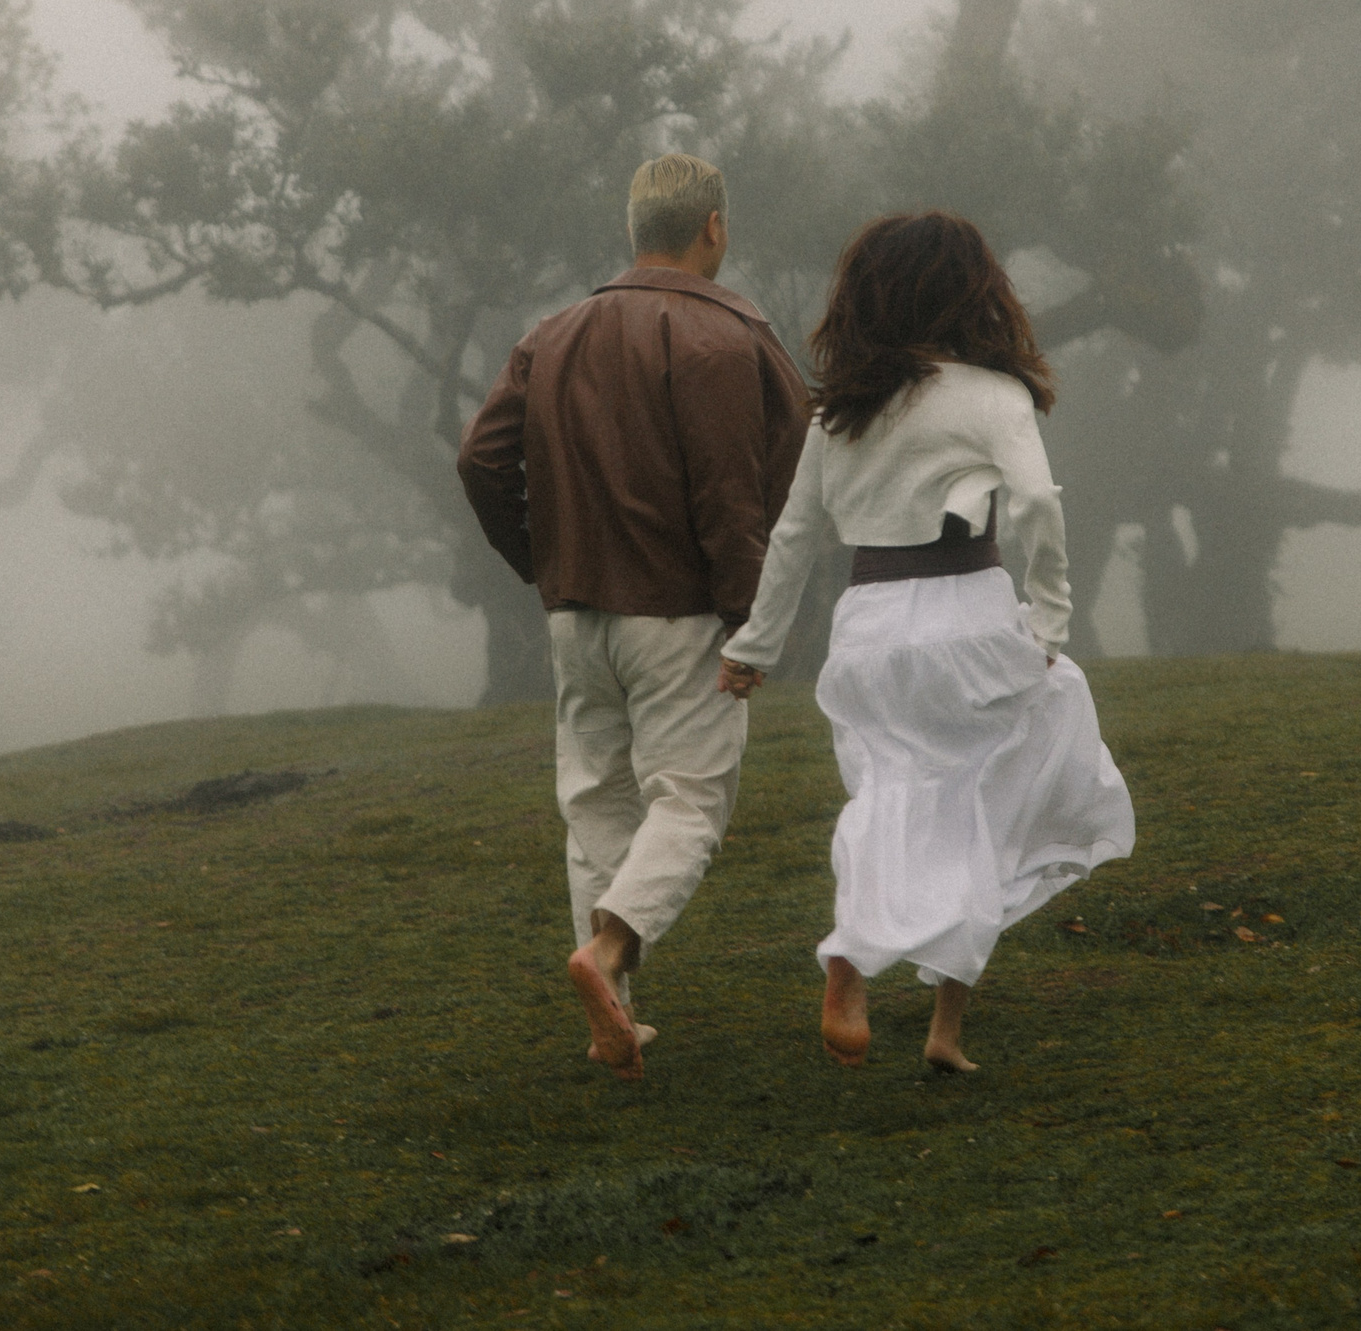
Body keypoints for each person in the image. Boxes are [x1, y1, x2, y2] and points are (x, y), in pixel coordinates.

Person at [717, 211, 1134, 1073]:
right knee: (1007, 767)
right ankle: (889, 978)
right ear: (976, 291)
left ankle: (910, 1006)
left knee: (895, 792)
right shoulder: (992, 394)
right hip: (966, 613)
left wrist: (753, 647)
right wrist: (1049, 618)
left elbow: (792, 536)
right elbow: (1038, 505)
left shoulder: (840, 415)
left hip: (869, 628)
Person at [457, 153, 808, 1081]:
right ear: (715, 228)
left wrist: (541, 560)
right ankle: (607, 956)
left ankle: (615, 1015)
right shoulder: (732, 337)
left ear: (634, 230)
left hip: (576, 616)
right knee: (689, 798)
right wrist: (751, 618)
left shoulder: (553, 332)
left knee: (597, 805)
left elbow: (481, 460)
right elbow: (742, 491)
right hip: (684, 613)